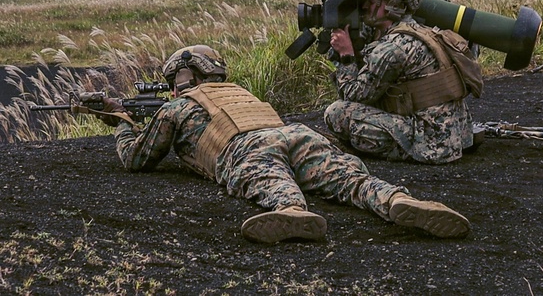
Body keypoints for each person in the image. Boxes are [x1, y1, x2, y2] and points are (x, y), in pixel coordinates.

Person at [101, 45, 471, 244]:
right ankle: (396, 200)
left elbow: (137, 158)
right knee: (348, 178)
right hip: (295, 133)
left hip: (245, 146)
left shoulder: (180, 105)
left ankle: (292, 212)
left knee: (272, 180)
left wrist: (120, 121)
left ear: (182, 79)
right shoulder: (239, 92)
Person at [324, 0, 480, 164]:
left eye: (372, 1)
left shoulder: (393, 47)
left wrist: (345, 55)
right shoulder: (423, 31)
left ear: (393, 4)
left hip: (432, 146)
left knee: (337, 112)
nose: (364, 6)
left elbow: (354, 96)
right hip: (454, 138)